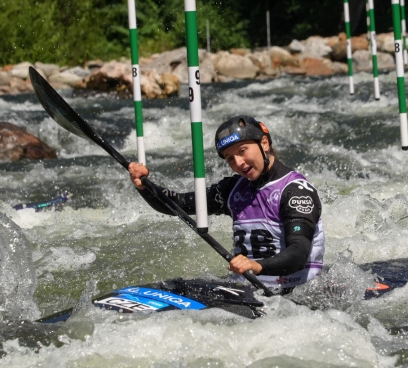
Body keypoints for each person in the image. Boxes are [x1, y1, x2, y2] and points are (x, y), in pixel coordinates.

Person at [127, 116, 325, 293]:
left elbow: (299, 252)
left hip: (295, 292)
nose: (238, 162)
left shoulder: (296, 192)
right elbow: (177, 204)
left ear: (264, 143)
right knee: (177, 286)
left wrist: (256, 266)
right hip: (248, 288)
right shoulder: (233, 189)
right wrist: (145, 186)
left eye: (242, 151)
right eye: (230, 158)